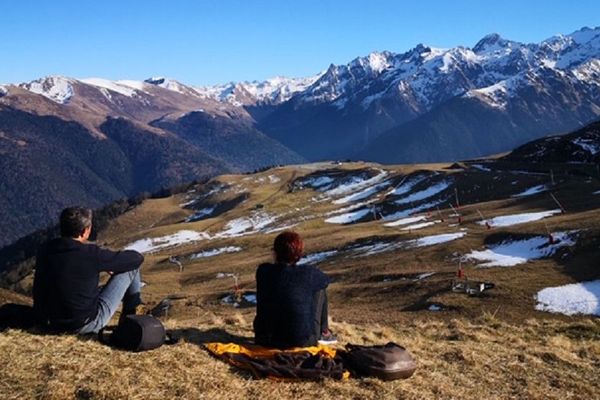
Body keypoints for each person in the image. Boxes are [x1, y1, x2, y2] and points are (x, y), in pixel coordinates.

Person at [33, 207, 144, 334]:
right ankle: (130, 322)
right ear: (85, 231)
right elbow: (136, 259)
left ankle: (131, 321)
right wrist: (110, 264)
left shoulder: (44, 249)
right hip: (83, 324)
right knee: (132, 269)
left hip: (48, 322)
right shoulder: (90, 254)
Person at [253, 231, 336, 348]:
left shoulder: (263, 271)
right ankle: (325, 332)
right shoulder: (309, 273)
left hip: (264, 339)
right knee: (320, 288)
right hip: (301, 341)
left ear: (275, 251)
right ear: (299, 253)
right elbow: (325, 280)